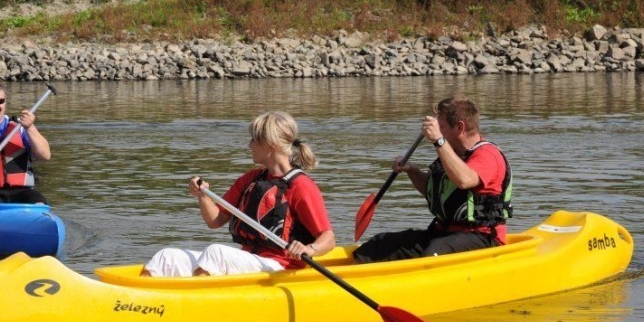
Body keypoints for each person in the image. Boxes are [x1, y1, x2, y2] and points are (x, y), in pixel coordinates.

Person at [143, 111, 335, 277]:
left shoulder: (301, 186)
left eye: (253, 140)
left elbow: (328, 239)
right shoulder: (251, 180)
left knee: (216, 253)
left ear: (270, 145)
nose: (249, 145)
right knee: (166, 257)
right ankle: (138, 304)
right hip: (252, 260)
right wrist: (203, 196)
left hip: (280, 267)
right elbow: (215, 221)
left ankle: (196, 303)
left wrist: (309, 249)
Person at [354, 96, 512, 263]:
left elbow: (465, 180)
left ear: (460, 127)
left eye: (441, 127)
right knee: (379, 244)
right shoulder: (452, 153)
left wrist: (439, 141)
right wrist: (412, 170)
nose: (437, 132)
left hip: (481, 237)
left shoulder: (487, 155)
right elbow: (432, 190)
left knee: (434, 253)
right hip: (442, 233)